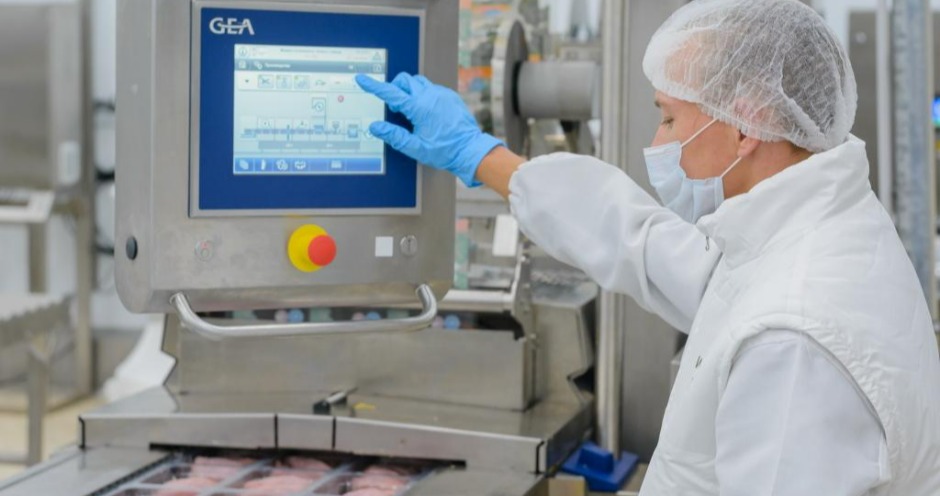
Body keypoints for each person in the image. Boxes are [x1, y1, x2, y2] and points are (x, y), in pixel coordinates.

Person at [355, 0, 940, 494]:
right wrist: (481, 155)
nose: (657, 142)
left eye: (669, 118)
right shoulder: (808, 233)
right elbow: (642, 243)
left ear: (746, 126)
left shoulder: (793, 342)